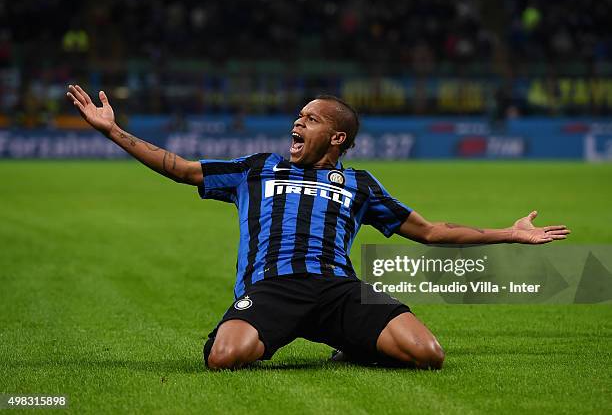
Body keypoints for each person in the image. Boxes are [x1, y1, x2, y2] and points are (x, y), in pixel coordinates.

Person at [66, 85, 570, 370]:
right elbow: (180, 167)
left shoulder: (359, 184)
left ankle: (346, 341)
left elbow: (433, 231)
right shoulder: (257, 167)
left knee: (429, 355)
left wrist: (510, 233)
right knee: (224, 358)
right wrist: (114, 132)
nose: (298, 123)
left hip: (338, 290)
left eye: (310, 118)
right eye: (299, 116)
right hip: (271, 289)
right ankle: (282, 330)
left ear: (337, 135)